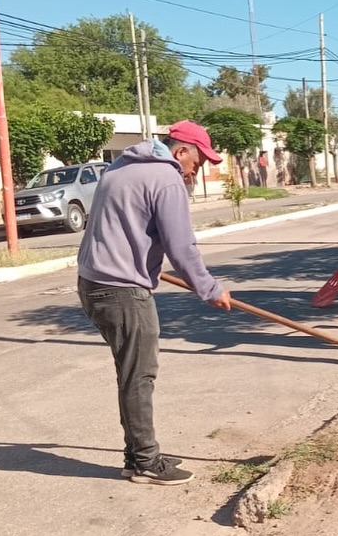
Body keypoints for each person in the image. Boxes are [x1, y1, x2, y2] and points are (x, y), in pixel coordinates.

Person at [77, 120, 233, 486]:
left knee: (131, 373)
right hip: (121, 289)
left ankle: (136, 456)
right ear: (181, 151)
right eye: (198, 161)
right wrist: (209, 288)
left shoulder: (120, 167)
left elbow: (125, 227)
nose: (197, 170)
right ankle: (147, 461)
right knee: (139, 375)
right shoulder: (166, 178)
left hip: (94, 282)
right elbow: (181, 246)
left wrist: (142, 261)